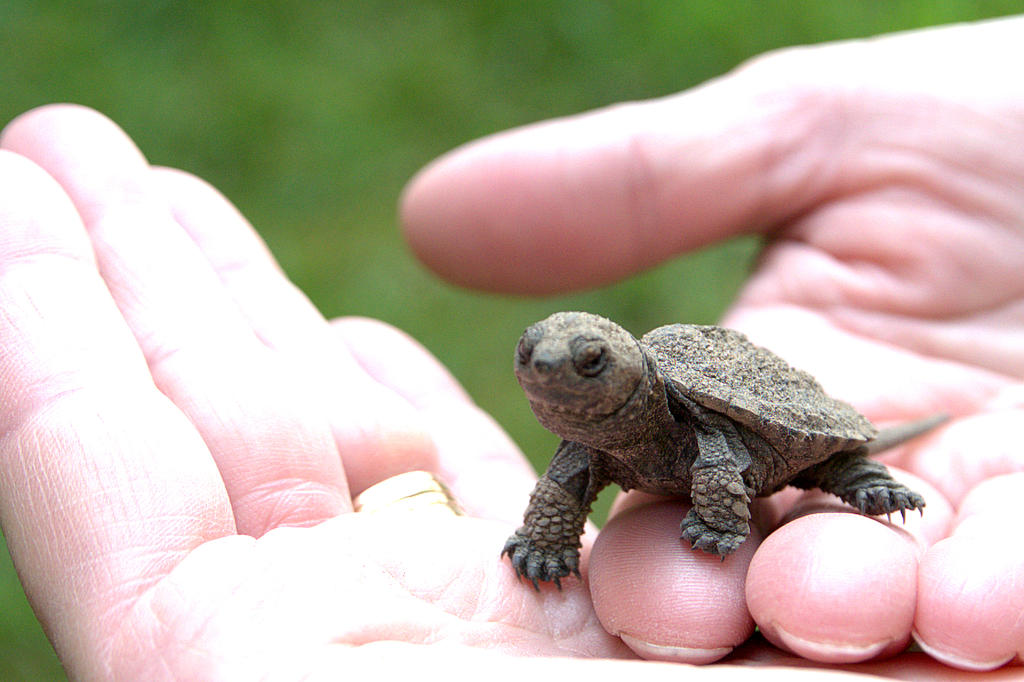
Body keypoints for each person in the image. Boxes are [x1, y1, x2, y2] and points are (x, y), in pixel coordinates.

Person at [1, 15, 1021, 680]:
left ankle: (856, 471)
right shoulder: (589, 446)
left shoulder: (682, 411)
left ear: (626, 374)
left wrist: (733, 513)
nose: (552, 372)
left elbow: (722, 460)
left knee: (826, 473)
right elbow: (566, 485)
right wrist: (547, 540)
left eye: (586, 365)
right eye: (539, 359)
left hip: (768, 436)